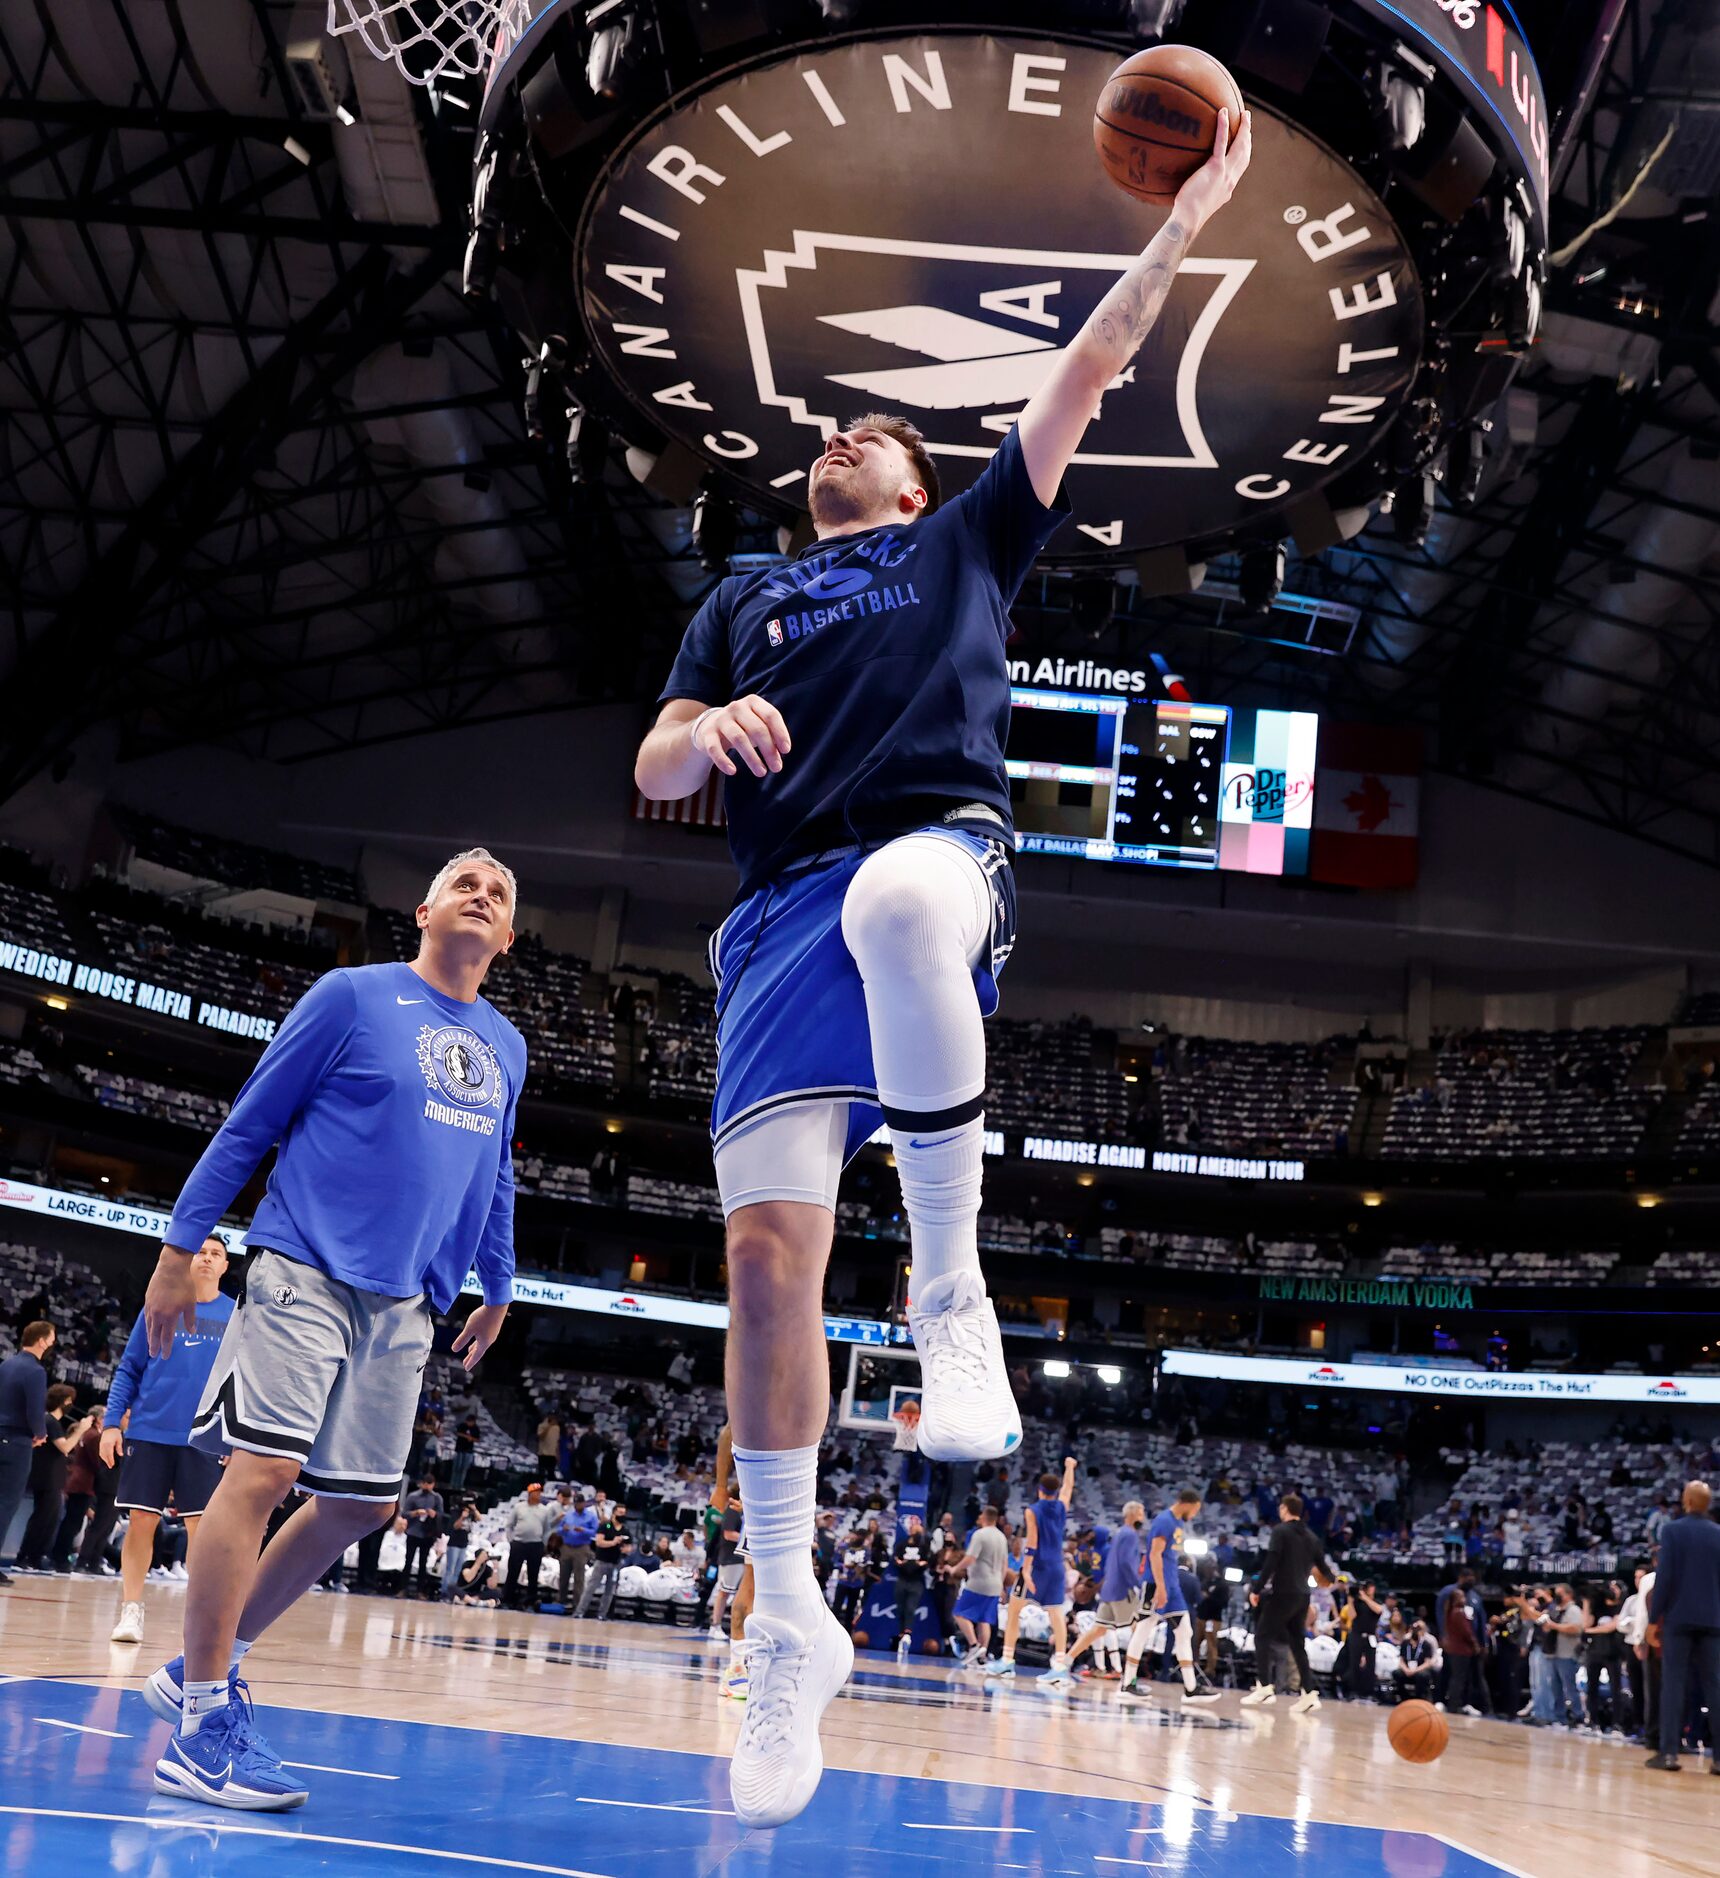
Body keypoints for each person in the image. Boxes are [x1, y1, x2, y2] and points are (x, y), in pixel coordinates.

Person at [632, 110, 1253, 1831]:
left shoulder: (967, 535)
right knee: (762, 1265)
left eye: (866, 435)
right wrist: (704, 726)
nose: (837, 436)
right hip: (771, 922)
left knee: (905, 909)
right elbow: (656, 769)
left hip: (931, 857)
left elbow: (1092, 364)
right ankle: (788, 1616)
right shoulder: (746, 594)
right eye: (825, 434)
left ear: (908, 489)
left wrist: (1189, 215)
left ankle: (953, 1289)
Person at [137, 848, 525, 1813]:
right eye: (465, 882)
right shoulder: (352, 996)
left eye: (501, 893)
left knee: (359, 1507)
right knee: (263, 1473)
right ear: (426, 908)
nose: (482, 892)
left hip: (405, 1301)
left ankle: (204, 1669)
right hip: (305, 1267)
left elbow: (497, 1172)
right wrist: (178, 1249)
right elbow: (249, 1123)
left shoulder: (508, 1047)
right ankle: (202, 1731)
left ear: (507, 938)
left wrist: (499, 1279)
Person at [102, 1236, 235, 1644]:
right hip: (150, 1429)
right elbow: (129, 1368)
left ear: (226, 1266)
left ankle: (196, 1619)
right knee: (142, 1520)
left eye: (216, 1254)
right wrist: (110, 1424)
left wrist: (234, 1438)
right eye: (201, 1252)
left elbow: (242, 1379)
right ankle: (130, 1610)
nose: (207, 1259)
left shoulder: (236, 1315)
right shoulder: (159, 1303)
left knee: (201, 1529)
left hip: (205, 1437)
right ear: (189, 1260)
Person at [1644, 1480, 1720, 1773]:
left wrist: (1654, 1620)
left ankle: (1669, 1754)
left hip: (1679, 1618)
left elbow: (1665, 1579)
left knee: (1673, 1686)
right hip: (1713, 1620)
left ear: (1686, 1500)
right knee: (1715, 1687)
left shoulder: (1673, 1531)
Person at [1122, 1489, 1220, 1705]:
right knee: (1143, 1630)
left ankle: (1191, 1688)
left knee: (1185, 1631)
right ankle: (1127, 1683)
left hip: (1171, 1583)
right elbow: (1154, 1554)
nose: (1195, 1514)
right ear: (1188, 1504)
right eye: (1195, 1509)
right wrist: (1161, 1587)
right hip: (1156, 1584)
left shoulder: (1178, 1523)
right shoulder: (1164, 1521)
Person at [988, 1457, 1077, 1684]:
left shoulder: (1033, 1510)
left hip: (1037, 1566)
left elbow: (1033, 1542)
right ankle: (1059, 1666)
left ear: (1039, 1490)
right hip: (1057, 1565)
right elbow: (1068, 1487)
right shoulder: (1061, 1506)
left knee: (1014, 1610)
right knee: (1057, 1616)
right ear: (1055, 1491)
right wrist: (1069, 1468)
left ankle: (1007, 1661)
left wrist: (1025, 1569)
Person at [1243, 1494, 1327, 1714]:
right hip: (1303, 1596)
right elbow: (1323, 1568)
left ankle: (1264, 1687)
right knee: (1297, 1643)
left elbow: (1271, 1562)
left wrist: (1256, 1589)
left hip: (1283, 1592)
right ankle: (1309, 1694)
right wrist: (1336, 1579)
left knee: (1262, 1637)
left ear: (1284, 1509)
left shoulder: (1280, 1531)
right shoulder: (1311, 1536)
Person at [16, 1384, 96, 1570]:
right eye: (70, 1400)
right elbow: (66, 1447)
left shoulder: (52, 1422)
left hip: (52, 1477)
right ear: (63, 1401)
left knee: (49, 1520)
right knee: (42, 1519)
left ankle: (35, 1557)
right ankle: (25, 1557)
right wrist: (81, 1429)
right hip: (46, 1477)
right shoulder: (50, 1421)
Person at [0, 1320, 55, 1583]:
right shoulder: (35, 1371)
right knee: (5, 1504)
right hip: (18, 1442)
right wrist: (41, 1434)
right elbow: (35, 1411)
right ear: (42, 1340)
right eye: (52, 1337)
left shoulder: (6, 1364)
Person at [1070, 1498, 1144, 1684]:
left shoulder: (1119, 1534)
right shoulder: (1130, 1535)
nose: (1143, 1516)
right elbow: (1126, 1563)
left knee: (1097, 1631)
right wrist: (1138, 1584)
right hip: (1122, 1590)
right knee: (1140, 1629)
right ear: (1132, 1514)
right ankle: (1130, 1678)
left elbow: (1112, 1564)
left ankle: (1063, 1663)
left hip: (1109, 1591)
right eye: (1141, 1512)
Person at [951, 1506, 1007, 1667]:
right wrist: (1001, 1585)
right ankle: (982, 1655)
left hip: (979, 1582)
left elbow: (970, 1558)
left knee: (959, 1613)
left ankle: (974, 1645)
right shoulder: (1002, 1537)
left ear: (984, 1517)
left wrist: (955, 1568)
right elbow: (1004, 1564)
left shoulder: (980, 1535)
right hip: (995, 1584)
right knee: (984, 1619)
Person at [502, 1481, 554, 1610]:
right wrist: (511, 1541)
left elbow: (547, 1529)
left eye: (539, 1492)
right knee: (513, 1573)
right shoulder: (519, 1507)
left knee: (533, 1575)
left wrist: (544, 1543)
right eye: (536, 1492)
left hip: (535, 1545)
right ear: (530, 1494)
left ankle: (530, 1602)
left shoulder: (544, 1510)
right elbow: (509, 1525)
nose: (538, 1494)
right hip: (519, 1543)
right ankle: (507, 1600)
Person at [577, 1502, 629, 1623]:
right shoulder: (606, 1526)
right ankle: (580, 1612)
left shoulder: (625, 1529)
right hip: (602, 1561)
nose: (622, 1515)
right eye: (620, 1513)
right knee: (591, 1587)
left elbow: (629, 1546)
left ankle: (602, 1614)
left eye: (624, 1513)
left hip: (616, 1562)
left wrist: (627, 1549)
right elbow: (599, 1542)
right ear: (614, 1513)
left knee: (610, 1590)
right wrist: (613, 1542)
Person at [891, 1513, 930, 1651]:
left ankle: (908, 1634)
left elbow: (927, 1561)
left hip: (916, 1581)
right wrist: (905, 1563)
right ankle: (901, 1635)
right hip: (902, 1579)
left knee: (910, 1608)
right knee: (900, 1608)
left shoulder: (924, 1546)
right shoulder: (902, 1544)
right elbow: (896, 1559)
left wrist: (917, 1564)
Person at [401, 1474, 444, 1598]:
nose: (427, 1486)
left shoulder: (437, 1498)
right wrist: (415, 1513)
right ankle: (403, 1589)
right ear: (422, 1483)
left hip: (428, 1534)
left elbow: (442, 1515)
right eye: (425, 1483)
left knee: (423, 1563)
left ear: (433, 1484)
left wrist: (434, 1514)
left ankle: (421, 1591)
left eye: (430, 1484)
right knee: (408, 1561)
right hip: (413, 1532)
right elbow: (404, 1514)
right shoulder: (413, 1496)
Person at [555, 1492, 599, 1609]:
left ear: (583, 1503)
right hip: (567, 1547)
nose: (577, 1505)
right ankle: (561, 1600)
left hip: (582, 1548)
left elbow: (595, 1532)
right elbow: (558, 1530)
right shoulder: (568, 1515)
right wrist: (562, 1529)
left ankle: (577, 1604)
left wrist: (583, 1530)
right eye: (575, 1503)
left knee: (579, 1577)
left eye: (579, 1503)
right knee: (563, 1575)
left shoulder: (591, 1516)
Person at [440, 1499, 478, 1601]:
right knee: (450, 1570)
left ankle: (453, 1592)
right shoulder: (456, 1511)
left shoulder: (471, 1513)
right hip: (454, 1544)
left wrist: (474, 1510)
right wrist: (462, 1517)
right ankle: (444, 1593)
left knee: (457, 1571)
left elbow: (480, 1518)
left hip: (463, 1544)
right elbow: (455, 1526)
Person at [1393, 1621, 1440, 1703]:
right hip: (1407, 1669)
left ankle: (1419, 1697)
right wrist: (1406, 1669)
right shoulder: (1405, 1642)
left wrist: (1415, 1670)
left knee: (1422, 1675)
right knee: (1397, 1673)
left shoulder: (1426, 1644)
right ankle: (1404, 1697)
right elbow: (1401, 1660)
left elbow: (1427, 1662)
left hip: (1419, 1669)